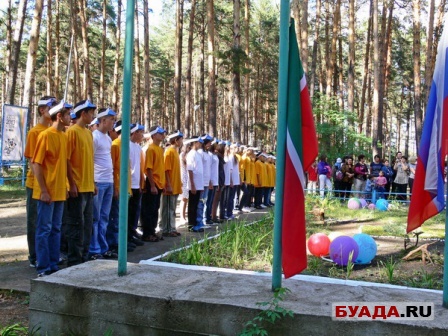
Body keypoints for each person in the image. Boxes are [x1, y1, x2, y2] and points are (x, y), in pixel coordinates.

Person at [32, 100, 72, 276]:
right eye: (68, 114)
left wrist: (67, 186)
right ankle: (43, 266)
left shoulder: (64, 137)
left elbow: (65, 164)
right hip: (47, 192)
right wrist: (44, 190)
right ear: (59, 116)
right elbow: (36, 164)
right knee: (44, 229)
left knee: (56, 228)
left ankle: (54, 264)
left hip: (60, 191)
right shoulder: (45, 136)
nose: (70, 118)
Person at [24, 96, 56, 268]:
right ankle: (34, 255)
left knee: (49, 223)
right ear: (42, 110)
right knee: (35, 220)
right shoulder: (35, 132)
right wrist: (40, 184)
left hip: (50, 182)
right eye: (51, 106)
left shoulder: (53, 131)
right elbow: (32, 159)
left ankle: (48, 255)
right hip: (35, 183)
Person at [66, 100, 96, 267]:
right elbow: (67, 160)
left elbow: (89, 160)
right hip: (77, 187)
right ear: (83, 114)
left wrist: (93, 183)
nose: (93, 116)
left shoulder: (88, 133)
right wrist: (71, 183)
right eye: (91, 112)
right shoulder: (72, 132)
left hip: (88, 187)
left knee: (87, 225)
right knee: (76, 225)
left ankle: (84, 257)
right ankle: (74, 260)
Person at [89, 108, 117, 260]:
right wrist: (92, 181)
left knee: (105, 216)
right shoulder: (95, 137)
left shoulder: (107, 138)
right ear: (103, 120)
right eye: (111, 119)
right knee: (96, 217)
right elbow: (90, 159)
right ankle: (94, 249)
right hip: (98, 181)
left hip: (108, 181)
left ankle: (103, 246)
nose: (113, 122)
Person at [141, 125, 166, 242]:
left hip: (159, 184)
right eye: (160, 133)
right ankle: (147, 233)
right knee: (149, 209)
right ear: (154, 135)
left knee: (155, 209)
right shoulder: (150, 149)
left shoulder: (160, 149)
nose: (162, 135)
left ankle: (153, 231)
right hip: (153, 183)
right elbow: (149, 169)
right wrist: (152, 185)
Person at [160, 130, 184, 237]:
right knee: (168, 208)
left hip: (176, 185)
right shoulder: (169, 151)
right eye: (181, 139)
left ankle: (172, 227)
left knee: (172, 208)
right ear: (176, 140)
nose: (182, 141)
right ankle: (167, 229)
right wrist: (168, 184)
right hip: (170, 186)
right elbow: (165, 170)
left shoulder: (175, 151)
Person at [128, 123, 146, 247]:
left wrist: (140, 183)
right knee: (128, 213)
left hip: (137, 184)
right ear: (134, 133)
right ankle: (127, 236)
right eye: (140, 132)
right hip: (129, 185)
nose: (143, 135)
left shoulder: (138, 147)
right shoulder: (127, 145)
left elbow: (139, 166)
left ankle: (132, 234)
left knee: (135, 212)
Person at [186, 136, 205, 232]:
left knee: (196, 204)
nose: (201, 144)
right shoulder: (191, 154)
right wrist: (192, 185)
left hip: (198, 184)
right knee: (192, 205)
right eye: (199, 142)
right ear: (194, 143)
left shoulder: (197, 154)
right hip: (193, 185)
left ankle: (195, 223)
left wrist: (200, 185)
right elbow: (190, 170)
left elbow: (199, 170)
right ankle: (191, 225)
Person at [180, 141, 192, 224]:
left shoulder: (188, 155)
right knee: (184, 198)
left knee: (186, 198)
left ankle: (184, 215)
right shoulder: (182, 155)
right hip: (183, 177)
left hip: (187, 177)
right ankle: (182, 216)